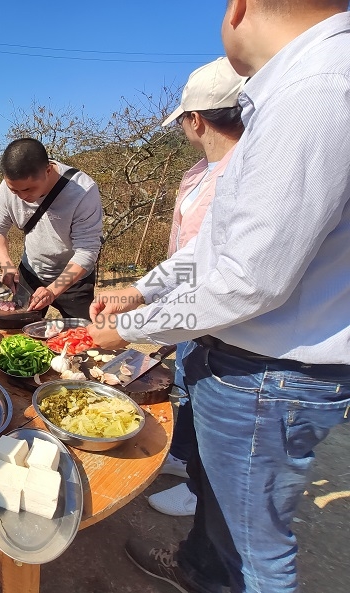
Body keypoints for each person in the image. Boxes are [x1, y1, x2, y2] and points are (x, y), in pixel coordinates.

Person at [88, 1, 350, 591]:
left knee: (255, 545)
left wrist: (132, 329)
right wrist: (139, 290)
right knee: (222, 509)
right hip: (245, 367)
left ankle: (217, 570)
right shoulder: (292, 94)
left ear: (240, 7)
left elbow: (249, 280)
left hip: (272, 376)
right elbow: (218, 246)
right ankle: (199, 569)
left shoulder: (317, 89)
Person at [149, 57, 246, 519]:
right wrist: (149, 292)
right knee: (185, 387)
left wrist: (136, 323)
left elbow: (220, 265)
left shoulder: (243, 172)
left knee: (211, 401)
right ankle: (182, 457)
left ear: (195, 119)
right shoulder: (197, 173)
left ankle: (198, 486)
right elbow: (184, 252)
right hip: (186, 304)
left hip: (218, 314)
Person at [0, 138, 103, 318]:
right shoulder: (9, 186)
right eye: (15, 191)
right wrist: (6, 264)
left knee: (81, 337)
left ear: (48, 170)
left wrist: (53, 290)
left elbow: (86, 251)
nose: (22, 196)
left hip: (73, 279)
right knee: (20, 333)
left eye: (28, 189)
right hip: (31, 273)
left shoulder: (83, 191)